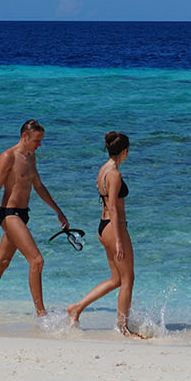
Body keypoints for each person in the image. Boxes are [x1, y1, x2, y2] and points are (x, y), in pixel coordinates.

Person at [0, 119, 70, 318]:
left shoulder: (31, 157)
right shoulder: (8, 156)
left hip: (23, 214)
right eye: (37, 140)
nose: (40, 145)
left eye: (41, 141)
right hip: (9, 214)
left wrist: (58, 211)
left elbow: (38, 186)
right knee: (37, 260)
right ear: (24, 137)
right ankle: (41, 314)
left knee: (2, 261)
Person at [67, 131, 139, 336]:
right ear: (124, 151)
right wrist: (118, 240)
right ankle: (122, 327)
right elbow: (114, 208)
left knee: (116, 279)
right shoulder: (114, 174)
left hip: (103, 226)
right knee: (128, 279)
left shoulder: (103, 170)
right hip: (113, 227)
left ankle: (76, 308)